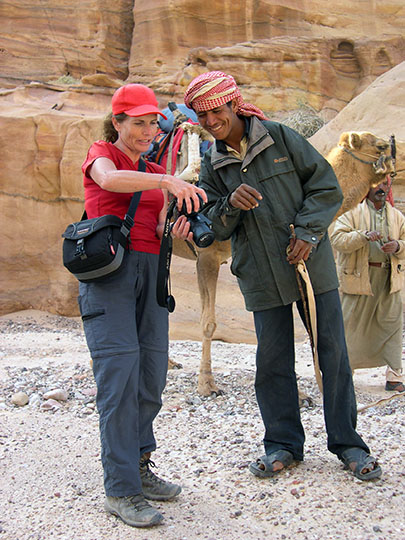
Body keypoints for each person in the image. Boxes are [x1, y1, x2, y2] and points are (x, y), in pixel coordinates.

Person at [184, 70, 382, 482]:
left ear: (233, 104)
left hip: (311, 265)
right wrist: (231, 205)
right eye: (201, 116)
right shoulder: (213, 162)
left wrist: (309, 233)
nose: (210, 121)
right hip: (259, 274)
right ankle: (283, 445)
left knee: (333, 354)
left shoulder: (279, 137)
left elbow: (325, 187)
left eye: (215, 111)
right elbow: (213, 226)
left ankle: (348, 444)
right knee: (272, 361)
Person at [79, 83, 206, 528]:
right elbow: (108, 181)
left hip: (150, 273)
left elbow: (153, 224)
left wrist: (177, 227)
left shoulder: (153, 168)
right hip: (109, 278)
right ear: (118, 123)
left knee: (151, 375)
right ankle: (120, 489)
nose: (148, 130)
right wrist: (167, 179)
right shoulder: (103, 154)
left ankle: (140, 466)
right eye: (138, 123)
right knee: (118, 378)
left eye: (153, 122)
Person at [330, 178, 405, 392]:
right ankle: (345, 373)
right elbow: (337, 239)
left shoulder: (397, 217)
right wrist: (362, 236)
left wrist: (398, 246)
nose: (381, 188)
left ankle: (394, 376)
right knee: (350, 326)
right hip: (359, 278)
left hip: (388, 279)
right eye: (377, 184)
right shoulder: (352, 214)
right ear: (368, 187)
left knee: (391, 325)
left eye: (385, 185)